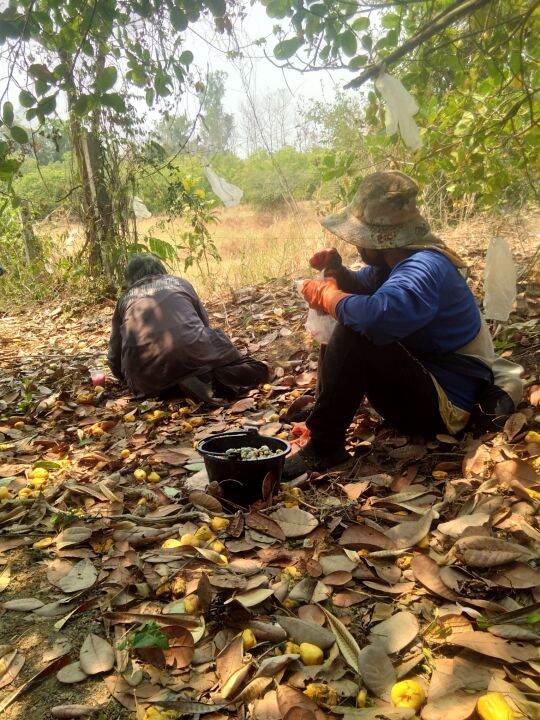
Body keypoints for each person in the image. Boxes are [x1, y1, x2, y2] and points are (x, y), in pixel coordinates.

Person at [283, 171, 523, 478]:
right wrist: (338, 273)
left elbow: (377, 317)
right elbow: (363, 289)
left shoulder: (424, 267)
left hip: (448, 405)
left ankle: (324, 447)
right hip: (427, 385)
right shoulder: (393, 264)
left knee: (355, 328)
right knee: (347, 314)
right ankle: (324, 413)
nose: (357, 246)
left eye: (359, 239)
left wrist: (330, 298)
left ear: (376, 239)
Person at [108, 254, 269, 400]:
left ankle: (176, 388)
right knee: (259, 369)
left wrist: (128, 380)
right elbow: (204, 324)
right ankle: (211, 378)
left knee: (160, 385)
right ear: (161, 269)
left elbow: (114, 357)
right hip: (194, 359)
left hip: (148, 382)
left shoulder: (124, 300)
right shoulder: (179, 283)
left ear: (129, 279)